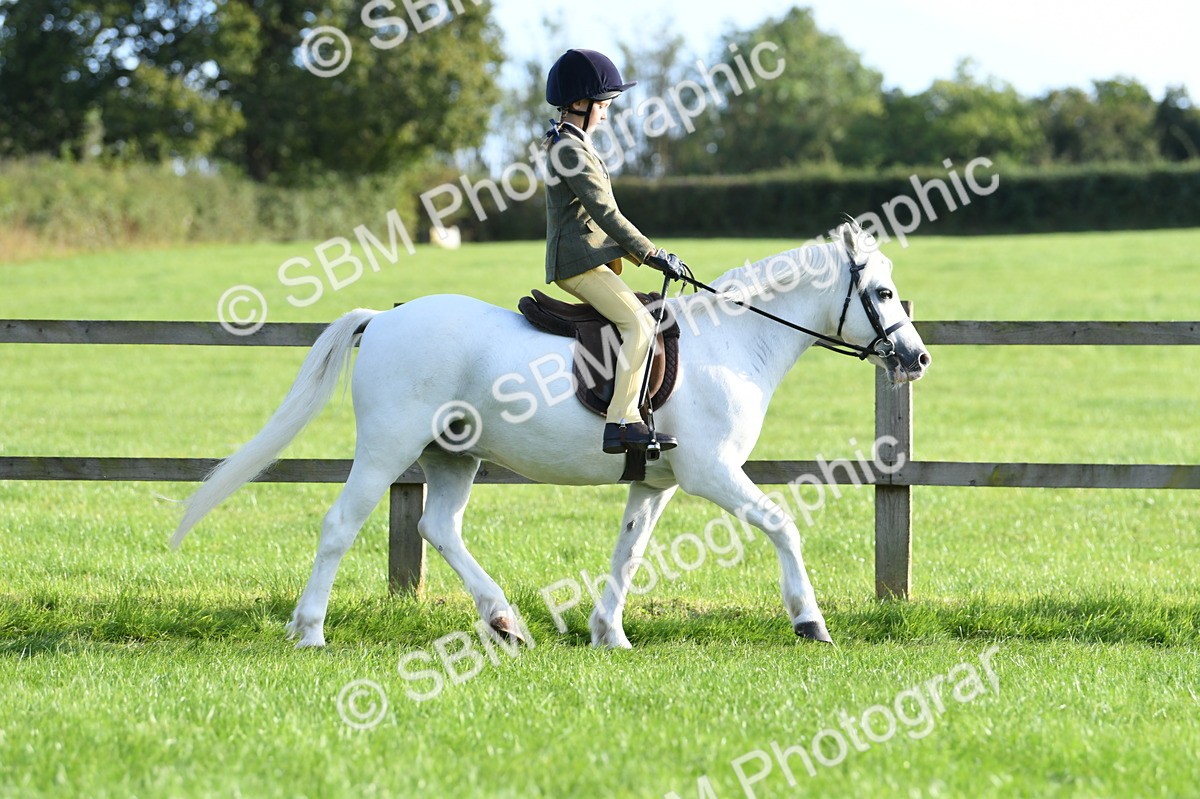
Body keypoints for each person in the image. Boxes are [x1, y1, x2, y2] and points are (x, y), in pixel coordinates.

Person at [543, 48, 686, 455]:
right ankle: (622, 422)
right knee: (640, 325)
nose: (606, 112)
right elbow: (605, 212)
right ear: (579, 103)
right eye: (603, 104)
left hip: (587, 259)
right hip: (577, 263)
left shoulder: (573, 143)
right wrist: (653, 253)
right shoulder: (568, 149)